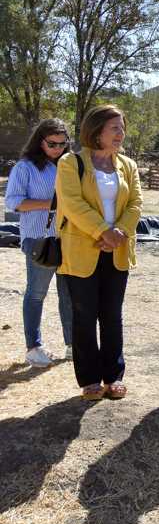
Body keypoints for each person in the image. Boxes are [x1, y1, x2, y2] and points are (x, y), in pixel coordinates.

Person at [56, 105, 142, 401]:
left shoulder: (128, 165)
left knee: (112, 316)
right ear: (96, 130)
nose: (121, 133)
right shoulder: (70, 162)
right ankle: (90, 380)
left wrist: (120, 232)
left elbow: (136, 204)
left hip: (117, 251)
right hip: (82, 250)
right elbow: (71, 203)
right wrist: (103, 231)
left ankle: (114, 376)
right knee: (84, 316)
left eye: (122, 128)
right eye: (114, 128)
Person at [5, 119, 74, 368]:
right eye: (52, 144)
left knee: (69, 294)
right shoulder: (25, 167)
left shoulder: (69, 165)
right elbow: (13, 201)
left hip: (69, 239)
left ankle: (72, 345)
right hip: (39, 239)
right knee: (36, 293)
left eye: (62, 144)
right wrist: (52, 204)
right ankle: (33, 348)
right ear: (40, 141)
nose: (57, 148)